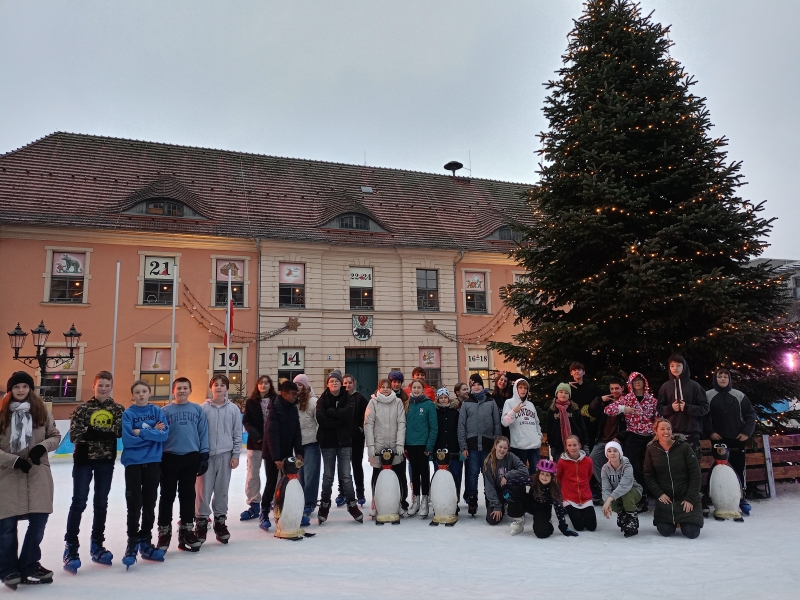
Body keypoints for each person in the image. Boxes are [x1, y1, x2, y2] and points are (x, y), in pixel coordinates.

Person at [0, 372, 61, 587]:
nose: (21, 390)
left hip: (37, 474)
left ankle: (29, 564)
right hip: (7, 477)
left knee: (39, 521)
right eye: (16, 386)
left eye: (25, 386)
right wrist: (13, 461)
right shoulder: (1, 413)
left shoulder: (41, 410)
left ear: (30, 388)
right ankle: (8, 569)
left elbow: (55, 435)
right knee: (6, 526)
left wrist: (41, 447)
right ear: (10, 390)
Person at [64, 370, 124, 569]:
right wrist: (104, 433)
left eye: (107, 385)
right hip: (83, 460)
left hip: (105, 461)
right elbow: (75, 435)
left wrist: (93, 431)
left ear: (111, 387)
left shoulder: (117, 409)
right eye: (100, 385)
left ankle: (97, 543)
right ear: (94, 386)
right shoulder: (83, 408)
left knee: (101, 503)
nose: (104, 389)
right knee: (79, 502)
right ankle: (71, 544)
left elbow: (120, 431)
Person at [120, 380, 169, 567]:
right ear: (133, 395)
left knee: (149, 503)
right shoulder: (128, 414)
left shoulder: (157, 412)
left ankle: (145, 541)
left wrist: (141, 431)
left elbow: (164, 436)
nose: (141, 394)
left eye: (144, 391)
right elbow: (128, 440)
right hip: (133, 464)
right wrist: (152, 433)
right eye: (137, 392)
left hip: (153, 463)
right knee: (134, 504)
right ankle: (132, 542)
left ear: (149, 393)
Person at [157, 377, 208, 553]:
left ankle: (187, 530)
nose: (182, 391)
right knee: (167, 496)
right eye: (179, 388)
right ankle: (164, 532)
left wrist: (204, 455)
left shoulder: (197, 410)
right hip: (169, 457)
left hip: (190, 457)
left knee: (188, 495)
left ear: (190, 390)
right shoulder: (164, 411)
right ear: (173, 391)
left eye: (185, 388)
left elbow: (203, 433)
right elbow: (159, 434)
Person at [195, 375, 242, 544]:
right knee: (202, 491)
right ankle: (201, 521)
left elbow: (237, 433)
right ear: (211, 387)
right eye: (216, 385)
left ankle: (220, 521)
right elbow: (198, 433)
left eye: (223, 385)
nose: (219, 388)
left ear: (227, 389)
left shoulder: (233, 410)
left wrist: (235, 454)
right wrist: (200, 455)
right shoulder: (202, 409)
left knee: (222, 490)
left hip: (225, 455)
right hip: (206, 456)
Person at [704, 368, 756, 515]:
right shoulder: (708, 396)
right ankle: (713, 496)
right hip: (719, 440)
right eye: (719, 376)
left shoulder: (739, 396)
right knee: (718, 469)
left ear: (729, 378)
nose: (722, 379)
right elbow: (703, 417)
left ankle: (741, 497)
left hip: (737, 439)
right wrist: (711, 432)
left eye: (725, 376)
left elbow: (751, 415)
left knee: (738, 468)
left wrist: (746, 433)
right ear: (715, 378)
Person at [604, 372, 658, 513]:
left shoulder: (652, 400)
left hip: (649, 437)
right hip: (633, 436)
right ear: (631, 384)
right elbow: (608, 410)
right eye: (635, 381)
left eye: (640, 380)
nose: (637, 383)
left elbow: (658, 418)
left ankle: (649, 495)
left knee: (648, 466)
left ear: (644, 382)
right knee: (632, 466)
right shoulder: (627, 398)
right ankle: (639, 498)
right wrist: (623, 409)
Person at [316, 370, 363, 524]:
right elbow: (321, 419)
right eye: (331, 381)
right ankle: (324, 504)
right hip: (328, 443)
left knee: (346, 476)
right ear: (327, 384)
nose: (334, 383)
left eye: (336, 381)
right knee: (328, 476)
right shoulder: (322, 399)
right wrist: (338, 418)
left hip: (344, 442)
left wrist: (332, 413)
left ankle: (351, 504)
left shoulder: (349, 398)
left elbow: (349, 414)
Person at [644, 418, 703, 539]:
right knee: (665, 531)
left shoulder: (684, 447)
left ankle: (683, 521)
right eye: (662, 429)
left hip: (685, 498)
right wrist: (659, 493)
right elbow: (648, 475)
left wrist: (690, 498)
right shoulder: (651, 450)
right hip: (666, 500)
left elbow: (695, 474)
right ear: (655, 431)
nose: (666, 431)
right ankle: (674, 521)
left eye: (669, 428)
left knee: (692, 533)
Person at [259, 381, 303, 531]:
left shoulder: (292, 409)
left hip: (287, 451)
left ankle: (288, 511)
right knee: (271, 483)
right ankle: (264, 512)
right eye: (293, 394)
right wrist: (276, 458)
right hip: (273, 453)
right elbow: (272, 435)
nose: (295, 397)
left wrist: (299, 451)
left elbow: (297, 431)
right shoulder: (275, 409)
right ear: (284, 393)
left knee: (289, 483)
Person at [457, 373, 500, 516]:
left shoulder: (491, 401)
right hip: (472, 446)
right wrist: (463, 446)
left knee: (488, 474)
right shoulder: (467, 403)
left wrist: (496, 444)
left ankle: (490, 500)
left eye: (478, 384)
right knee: (472, 474)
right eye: (473, 385)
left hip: (488, 446)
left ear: (482, 386)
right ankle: (472, 500)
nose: (476, 387)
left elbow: (496, 424)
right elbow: (461, 426)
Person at [364, 379, 406, 518]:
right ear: (379, 388)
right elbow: (368, 424)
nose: (386, 389)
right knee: (377, 475)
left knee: (398, 475)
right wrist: (371, 445)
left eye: (388, 387)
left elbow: (401, 423)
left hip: (394, 445)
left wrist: (400, 443)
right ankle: (375, 502)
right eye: (383, 387)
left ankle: (398, 502)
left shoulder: (397, 402)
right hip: (378, 444)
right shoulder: (373, 403)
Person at [240, 375, 276, 521]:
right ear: (257, 385)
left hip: (273, 443)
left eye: (266, 383)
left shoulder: (276, 400)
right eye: (261, 383)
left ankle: (275, 500)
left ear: (270, 385)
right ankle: (254, 503)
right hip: (256, 443)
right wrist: (257, 436)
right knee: (253, 473)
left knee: (274, 474)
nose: (263, 385)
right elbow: (247, 421)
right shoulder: (251, 402)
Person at [404, 379, 438, 517]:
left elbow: (433, 427)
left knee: (424, 473)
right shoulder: (407, 404)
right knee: (414, 473)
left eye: (419, 387)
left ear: (423, 390)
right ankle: (416, 499)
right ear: (411, 389)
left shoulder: (429, 405)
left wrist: (429, 445)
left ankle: (425, 500)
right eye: (414, 387)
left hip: (423, 445)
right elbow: (403, 425)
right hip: (411, 444)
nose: (416, 390)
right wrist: (405, 444)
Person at [587, 377, 625, 495]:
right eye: (612, 388)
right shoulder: (606, 402)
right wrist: (599, 399)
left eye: (617, 388)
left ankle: (620, 490)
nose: (614, 391)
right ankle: (606, 487)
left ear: (622, 388)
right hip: (603, 439)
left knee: (619, 466)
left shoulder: (627, 402)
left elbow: (629, 424)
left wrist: (620, 437)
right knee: (592, 460)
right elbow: (591, 411)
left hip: (617, 440)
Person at [482, 436, 529, 527]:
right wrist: (496, 506)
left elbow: (525, 470)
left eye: (505, 448)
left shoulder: (511, 456)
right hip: (497, 493)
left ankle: (516, 508)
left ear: (508, 449)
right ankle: (503, 506)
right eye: (500, 447)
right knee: (492, 520)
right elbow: (489, 487)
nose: (502, 450)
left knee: (519, 486)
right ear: (495, 446)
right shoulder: (488, 463)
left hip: (509, 489)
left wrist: (507, 476)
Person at [600, 440, 643, 537]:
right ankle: (622, 514)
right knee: (610, 498)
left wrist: (609, 499)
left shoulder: (627, 466)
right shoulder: (605, 468)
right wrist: (607, 502)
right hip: (618, 494)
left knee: (625, 493)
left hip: (633, 492)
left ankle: (632, 518)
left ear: (620, 452)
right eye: (609, 451)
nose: (612, 453)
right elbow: (606, 488)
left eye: (615, 450)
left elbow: (625, 485)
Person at [526, 460, 578, 538]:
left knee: (541, 533)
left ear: (552, 476)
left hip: (542, 510)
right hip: (530, 504)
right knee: (516, 490)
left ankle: (547, 524)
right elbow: (517, 481)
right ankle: (518, 519)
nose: (544, 477)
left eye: (547, 475)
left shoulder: (554, 488)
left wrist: (563, 527)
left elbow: (559, 509)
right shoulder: (533, 480)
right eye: (542, 474)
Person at [501, 378, 543, 474]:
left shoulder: (530, 405)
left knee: (536, 474)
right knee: (519, 475)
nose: (523, 390)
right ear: (516, 389)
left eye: (525, 388)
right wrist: (513, 412)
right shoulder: (509, 402)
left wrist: (539, 436)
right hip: (519, 446)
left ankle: (534, 490)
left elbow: (536, 422)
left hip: (534, 445)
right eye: (520, 387)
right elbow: (504, 422)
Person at [556, 435, 597, 532]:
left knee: (592, 527)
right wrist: (567, 489)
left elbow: (589, 475)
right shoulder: (562, 462)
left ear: (579, 445)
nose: (572, 448)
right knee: (579, 527)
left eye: (574, 445)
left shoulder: (588, 461)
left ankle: (583, 511)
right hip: (569, 498)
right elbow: (559, 476)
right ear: (566, 447)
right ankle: (573, 511)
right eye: (569, 445)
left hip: (585, 497)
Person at [294, 374, 320, 523]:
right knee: (299, 476)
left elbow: (319, 422)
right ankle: (300, 501)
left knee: (311, 474)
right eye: (295, 384)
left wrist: (316, 437)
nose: (297, 387)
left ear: (305, 386)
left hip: (311, 442)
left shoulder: (313, 402)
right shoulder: (292, 402)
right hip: (298, 445)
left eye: (300, 384)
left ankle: (309, 503)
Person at [340, 374, 369, 507]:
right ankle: (342, 493)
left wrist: (360, 428)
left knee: (356, 465)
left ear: (354, 384)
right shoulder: (339, 398)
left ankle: (360, 493)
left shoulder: (360, 398)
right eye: (345, 383)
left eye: (350, 383)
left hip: (357, 438)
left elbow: (366, 416)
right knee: (343, 467)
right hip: (342, 438)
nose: (347, 385)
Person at [545, 383, 588, 462]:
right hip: (559, 446)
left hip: (575, 446)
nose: (563, 395)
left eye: (566, 393)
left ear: (569, 395)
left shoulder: (574, 408)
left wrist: (585, 444)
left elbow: (582, 426)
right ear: (557, 394)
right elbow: (549, 429)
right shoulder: (551, 411)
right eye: (561, 392)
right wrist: (552, 446)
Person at [433, 387, 463, 499]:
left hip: (453, 449)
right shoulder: (434, 412)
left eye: (445, 397)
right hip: (439, 449)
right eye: (441, 397)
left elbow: (459, 429)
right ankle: (439, 498)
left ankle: (455, 497)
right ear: (438, 399)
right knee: (439, 474)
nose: (443, 399)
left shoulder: (455, 412)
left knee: (455, 474)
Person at [388, 370, 410, 513]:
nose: (396, 384)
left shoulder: (404, 397)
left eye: (398, 382)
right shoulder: (381, 395)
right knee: (381, 471)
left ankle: (402, 499)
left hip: (400, 437)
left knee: (400, 471)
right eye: (394, 382)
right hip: (385, 437)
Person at [491, 371, 514, 439]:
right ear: (497, 380)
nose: (503, 382)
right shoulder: (492, 397)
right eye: (501, 379)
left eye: (505, 381)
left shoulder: (510, 396)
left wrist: (508, 374)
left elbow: (522, 378)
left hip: (509, 430)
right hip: (497, 430)